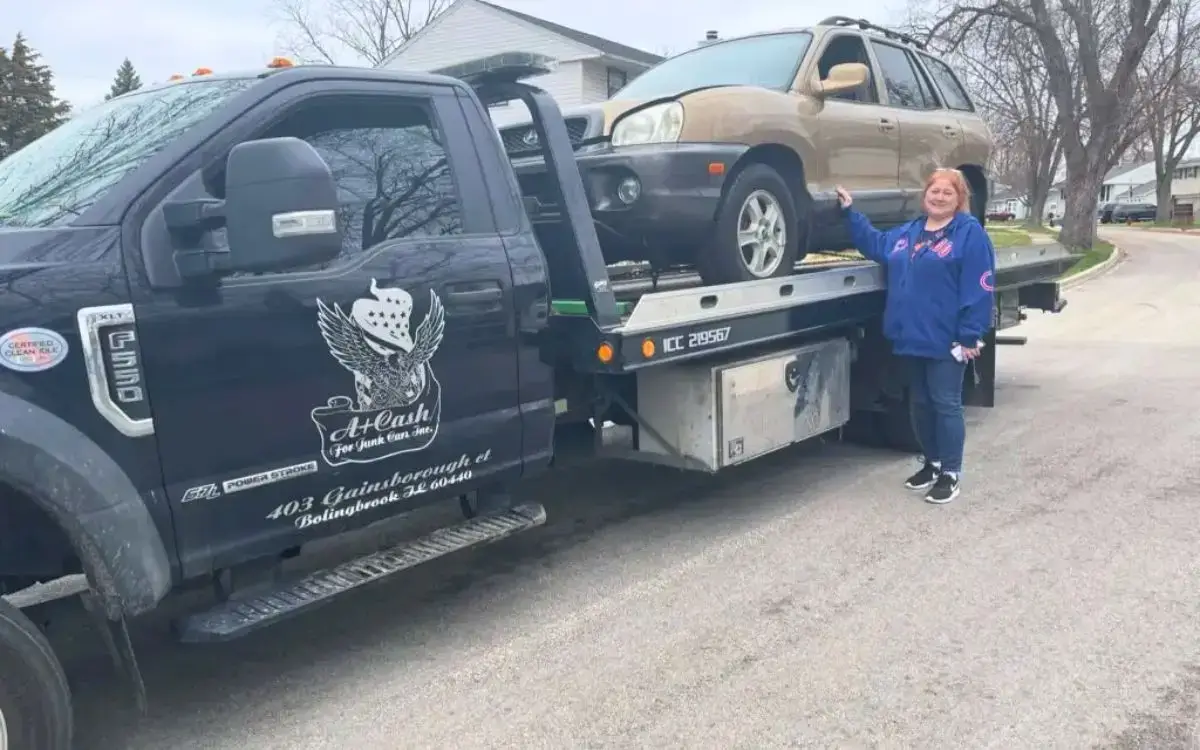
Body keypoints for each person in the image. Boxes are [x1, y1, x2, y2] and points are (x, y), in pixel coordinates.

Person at [835, 169, 996, 504]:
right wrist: (851, 213)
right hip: (911, 336)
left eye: (947, 193)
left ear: (959, 198)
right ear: (925, 196)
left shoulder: (969, 234)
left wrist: (970, 335)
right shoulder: (910, 232)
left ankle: (951, 473)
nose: (938, 197)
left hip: (948, 340)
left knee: (945, 404)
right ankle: (932, 463)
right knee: (920, 405)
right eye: (934, 191)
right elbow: (877, 245)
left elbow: (979, 286)